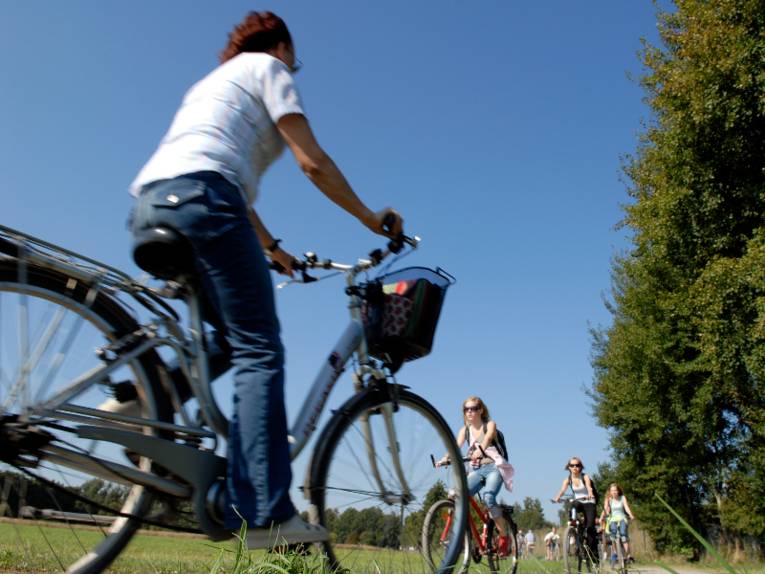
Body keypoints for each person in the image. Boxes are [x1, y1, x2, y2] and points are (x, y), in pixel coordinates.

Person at [120, 11, 402, 547]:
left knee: (225, 340)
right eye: (295, 55)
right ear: (280, 45)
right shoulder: (269, 69)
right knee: (260, 349)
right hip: (205, 200)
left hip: (155, 203)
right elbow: (311, 161)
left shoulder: (212, 83)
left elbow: (217, 174)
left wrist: (272, 249)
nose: (296, 65)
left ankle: (141, 398)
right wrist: (371, 218)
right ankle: (264, 512)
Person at [436, 396, 514, 556]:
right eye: (466, 409)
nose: (469, 412)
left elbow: (487, 438)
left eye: (473, 408)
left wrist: (481, 449)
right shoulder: (464, 430)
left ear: (481, 410)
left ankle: (504, 537)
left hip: (494, 468)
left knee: (488, 497)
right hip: (477, 470)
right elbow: (455, 446)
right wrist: (445, 458)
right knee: (458, 495)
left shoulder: (489, 425)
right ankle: (462, 536)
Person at [553, 457, 598, 562]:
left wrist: (590, 494)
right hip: (578, 501)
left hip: (589, 502)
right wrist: (557, 497)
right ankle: (573, 529)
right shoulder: (568, 479)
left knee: (590, 528)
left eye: (577, 465)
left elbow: (589, 487)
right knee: (573, 504)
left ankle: (591, 552)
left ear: (580, 467)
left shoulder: (585, 476)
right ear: (569, 467)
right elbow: (562, 490)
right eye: (572, 465)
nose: (575, 467)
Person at [604, 483, 636, 563]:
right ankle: (614, 553)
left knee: (623, 534)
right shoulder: (609, 499)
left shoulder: (622, 498)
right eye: (612, 491)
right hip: (613, 519)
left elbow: (626, 507)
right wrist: (606, 513)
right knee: (613, 535)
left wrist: (631, 515)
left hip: (622, 518)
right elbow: (606, 509)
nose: (614, 492)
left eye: (615, 490)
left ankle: (628, 556)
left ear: (618, 491)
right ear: (610, 492)